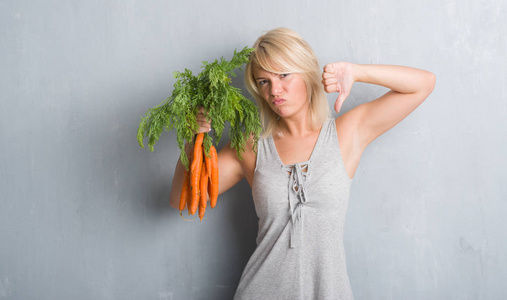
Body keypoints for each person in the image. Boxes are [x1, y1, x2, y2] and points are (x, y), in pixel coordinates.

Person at [169, 27, 436, 299]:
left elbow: (423, 84)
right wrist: (193, 140)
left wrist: (356, 72)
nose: (275, 90)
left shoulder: (345, 134)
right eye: (264, 81)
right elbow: (183, 197)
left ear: (307, 73)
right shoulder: (250, 146)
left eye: (284, 75)